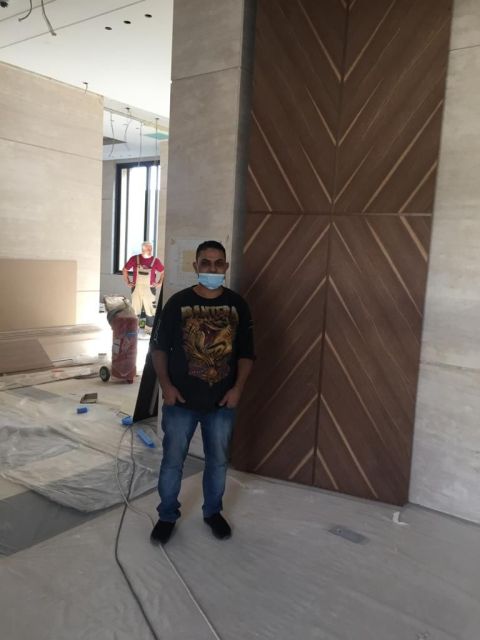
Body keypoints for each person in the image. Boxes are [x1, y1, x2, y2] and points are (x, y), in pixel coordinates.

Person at [150, 240, 255, 545]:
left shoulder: (238, 305)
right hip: (180, 401)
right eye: (206, 263)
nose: (212, 268)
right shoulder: (177, 303)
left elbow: (247, 354)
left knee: (218, 462)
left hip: (221, 403)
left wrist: (237, 389)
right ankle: (167, 515)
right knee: (172, 461)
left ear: (226, 267)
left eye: (218, 263)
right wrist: (166, 386)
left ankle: (212, 512)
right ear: (196, 266)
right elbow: (159, 349)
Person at [122, 242, 164, 332]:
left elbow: (163, 272)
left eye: (150, 249)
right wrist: (127, 281)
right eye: (147, 249)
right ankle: (134, 329)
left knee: (150, 310)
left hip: (150, 289)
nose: (150, 251)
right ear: (142, 249)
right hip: (136, 288)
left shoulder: (156, 261)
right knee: (135, 310)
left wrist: (160, 282)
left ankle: (149, 330)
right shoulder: (134, 259)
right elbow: (125, 270)